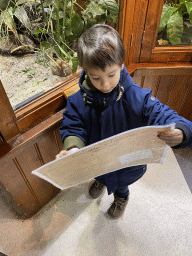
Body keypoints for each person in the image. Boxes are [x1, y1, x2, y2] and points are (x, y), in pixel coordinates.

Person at [56, 24, 192, 219]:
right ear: (84, 70)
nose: (105, 84)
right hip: (97, 162)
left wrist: (181, 131)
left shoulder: (138, 97)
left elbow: (165, 114)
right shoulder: (77, 101)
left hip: (127, 166)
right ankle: (101, 181)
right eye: (95, 78)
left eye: (111, 75)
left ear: (121, 64)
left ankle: (122, 197)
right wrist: (73, 149)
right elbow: (72, 126)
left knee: (121, 184)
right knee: (100, 174)